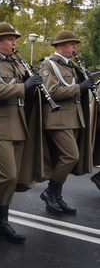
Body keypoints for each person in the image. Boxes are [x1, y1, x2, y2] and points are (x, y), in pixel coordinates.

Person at [0, 23, 44, 244]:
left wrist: (35, 85)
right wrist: (24, 87)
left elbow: (27, 91)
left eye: (15, 39)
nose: (14, 43)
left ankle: (1, 222)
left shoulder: (15, 62)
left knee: (12, 180)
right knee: (7, 174)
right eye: (10, 39)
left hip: (18, 124)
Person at [38, 30, 94, 214]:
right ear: (59, 46)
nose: (75, 47)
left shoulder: (71, 66)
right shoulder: (49, 65)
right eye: (72, 44)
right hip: (58, 118)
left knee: (61, 160)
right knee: (71, 156)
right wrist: (79, 87)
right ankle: (50, 192)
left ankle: (56, 197)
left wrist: (85, 78)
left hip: (74, 117)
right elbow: (51, 91)